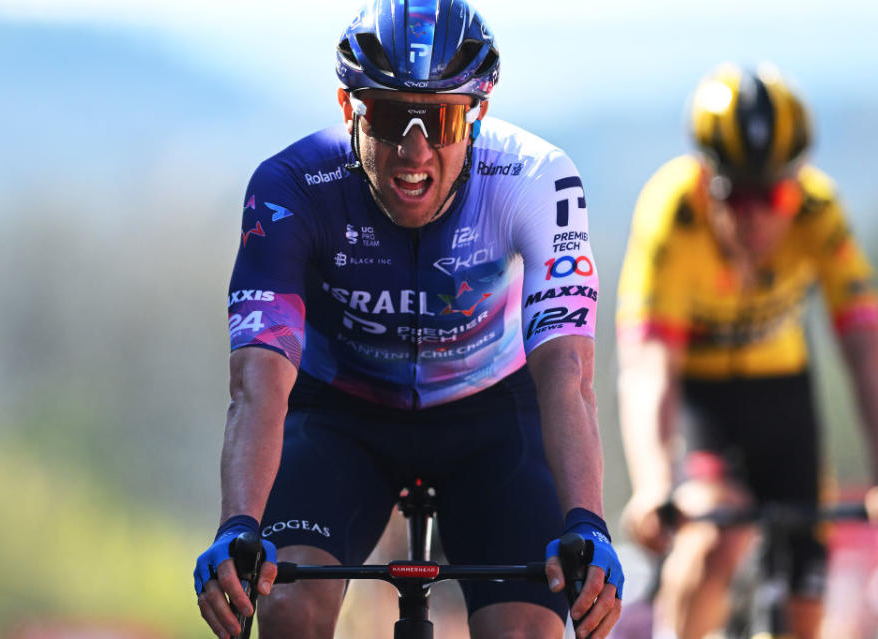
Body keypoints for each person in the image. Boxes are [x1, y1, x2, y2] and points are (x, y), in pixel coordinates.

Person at [193, 1, 624, 637]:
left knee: (528, 632)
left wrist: (588, 522)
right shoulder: (291, 187)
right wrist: (238, 527)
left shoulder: (535, 177)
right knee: (286, 608)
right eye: (392, 115)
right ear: (350, 108)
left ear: (477, 114)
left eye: (442, 119)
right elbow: (258, 383)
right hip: (342, 416)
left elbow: (566, 371)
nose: (414, 149)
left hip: (490, 419)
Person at [615, 62, 878, 639]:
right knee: (712, 540)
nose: (755, 216)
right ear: (707, 180)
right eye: (735, 195)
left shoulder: (818, 211)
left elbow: (865, 350)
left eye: (774, 194)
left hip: (784, 396)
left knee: (804, 596)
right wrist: (655, 482)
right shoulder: (673, 214)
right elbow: (648, 367)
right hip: (704, 401)